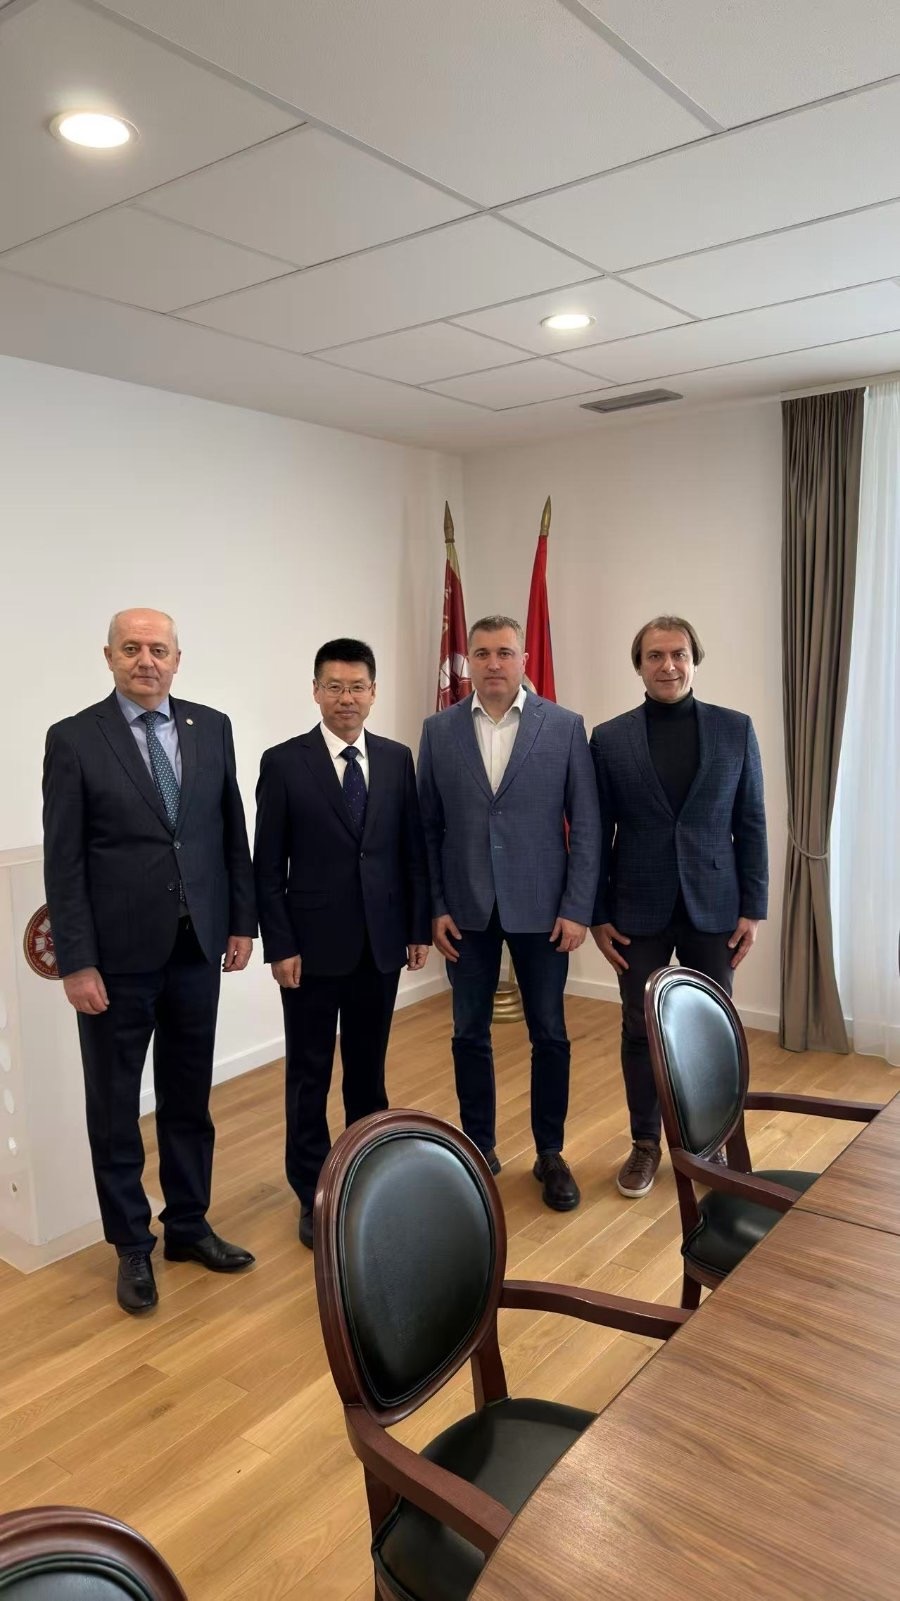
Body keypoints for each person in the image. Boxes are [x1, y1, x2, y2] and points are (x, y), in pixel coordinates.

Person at [42, 609, 257, 1314]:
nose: (146, 660)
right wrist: (77, 961)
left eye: (157, 649)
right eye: (131, 648)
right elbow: (64, 863)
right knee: (114, 1108)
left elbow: (230, 832)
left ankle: (188, 1226)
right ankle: (132, 1244)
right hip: (116, 962)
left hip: (197, 948)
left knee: (189, 1099)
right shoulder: (74, 739)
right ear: (108, 656)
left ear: (177, 658)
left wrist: (241, 922)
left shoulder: (211, 727)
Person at [417, 616, 599, 1210]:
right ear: (467, 661)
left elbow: (586, 825)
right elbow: (428, 828)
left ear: (523, 660)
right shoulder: (439, 730)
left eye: (505, 652)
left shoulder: (564, 727)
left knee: (550, 1033)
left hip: (544, 909)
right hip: (465, 910)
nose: (493, 663)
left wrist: (577, 908)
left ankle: (551, 1152)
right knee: (468, 1033)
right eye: (482, 653)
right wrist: (436, 906)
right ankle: (480, 1146)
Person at [253, 638, 430, 1249]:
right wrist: (280, 945)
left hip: (379, 946)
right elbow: (267, 866)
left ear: (373, 692)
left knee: (368, 1072)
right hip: (309, 950)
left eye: (357, 687)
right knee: (309, 1075)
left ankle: (366, 1178)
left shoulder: (396, 758)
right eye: (334, 687)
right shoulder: (284, 762)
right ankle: (312, 1192)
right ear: (316, 691)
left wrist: (416, 927)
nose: (346, 698)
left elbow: (411, 853)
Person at [590, 615, 768, 1199]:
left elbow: (751, 823)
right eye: (655, 656)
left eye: (679, 654)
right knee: (639, 1028)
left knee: (711, 1028)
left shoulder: (735, 729)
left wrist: (753, 908)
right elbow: (595, 832)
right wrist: (596, 913)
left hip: (714, 906)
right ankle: (646, 1143)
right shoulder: (609, 739)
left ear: (694, 660)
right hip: (635, 909)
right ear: (639, 666)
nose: (668, 665)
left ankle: (709, 1142)